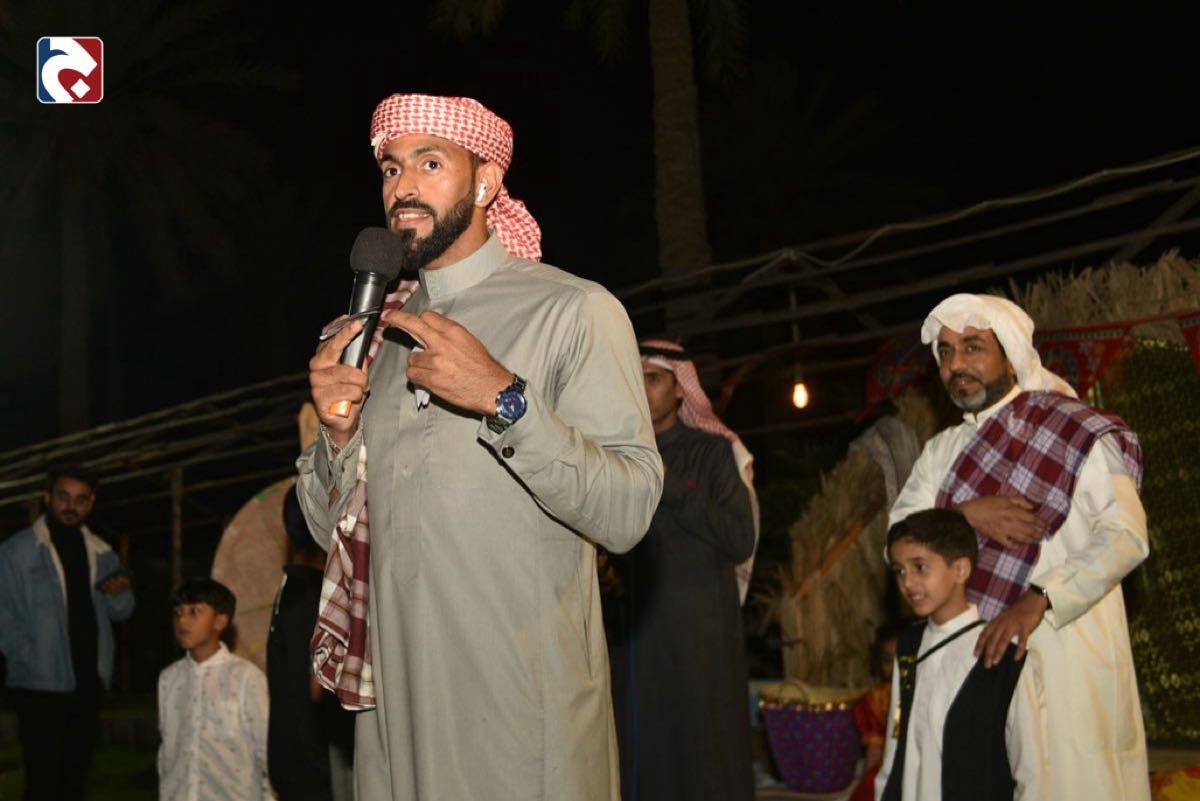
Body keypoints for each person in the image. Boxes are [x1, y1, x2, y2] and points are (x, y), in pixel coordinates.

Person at [295, 93, 663, 801]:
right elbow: (327, 533)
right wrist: (338, 439)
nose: (403, 187)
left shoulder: (573, 310)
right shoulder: (374, 337)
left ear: (487, 182)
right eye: (391, 168)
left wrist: (504, 397)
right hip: (395, 716)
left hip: (520, 711)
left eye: (431, 164)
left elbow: (630, 510)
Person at [889, 293, 1150, 801]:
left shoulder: (1075, 432)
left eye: (972, 347)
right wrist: (964, 514)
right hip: (977, 663)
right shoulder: (941, 453)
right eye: (945, 352)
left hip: (1064, 649)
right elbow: (898, 539)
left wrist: (1040, 598)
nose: (956, 365)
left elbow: (1126, 534)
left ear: (1010, 356)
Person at [606, 339, 757, 801]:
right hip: (636, 635)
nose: (642, 388)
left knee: (703, 753)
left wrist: (670, 487)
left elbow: (740, 538)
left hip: (700, 637)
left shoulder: (712, 453)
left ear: (679, 389)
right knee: (642, 750)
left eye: (653, 378)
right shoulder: (616, 458)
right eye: (635, 379)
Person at [875, 508, 1049, 801]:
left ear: (960, 570)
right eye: (899, 570)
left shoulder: (1005, 657)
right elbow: (895, 744)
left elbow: (1032, 774)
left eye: (920, 567)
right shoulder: (908, 646)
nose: (908, 582)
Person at [0, 464, 134, 801]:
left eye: (80, 499)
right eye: (63, 497)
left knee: (75, 781)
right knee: (42, 783)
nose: (70, 506)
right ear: (47, 498)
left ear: (90, 503)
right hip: (39, 685)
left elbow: (122, 612)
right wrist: (25, 654)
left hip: (87, 681)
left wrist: (119, 595)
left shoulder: (102, 552)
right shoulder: (17, 551)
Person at [267, 484, 355, 801]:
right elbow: (321, 686)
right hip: (320, 769)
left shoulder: (291, 587)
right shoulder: (319, 596)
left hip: (292, 760)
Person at [158, 577, 274, 801]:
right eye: (178, 612)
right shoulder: (169, 679)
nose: (182, 620)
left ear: (220, 621)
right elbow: (167, 752)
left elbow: (266, 750)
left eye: (194, 612)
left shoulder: (246, 678)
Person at [848, 622, 901, 801]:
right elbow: (874, 750)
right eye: (888, 661)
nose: (895, 668)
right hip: (890, 769)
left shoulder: (927, 692)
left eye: (901, 660)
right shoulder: (877, 699)